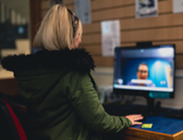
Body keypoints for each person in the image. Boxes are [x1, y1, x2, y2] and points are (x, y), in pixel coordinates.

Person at [1, 4, 143, 140]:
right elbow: (100, 122)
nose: (80, 40)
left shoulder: (27, 71)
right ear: (69, 36)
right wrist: (125, 121)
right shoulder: (73, 71)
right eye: (78, 35)